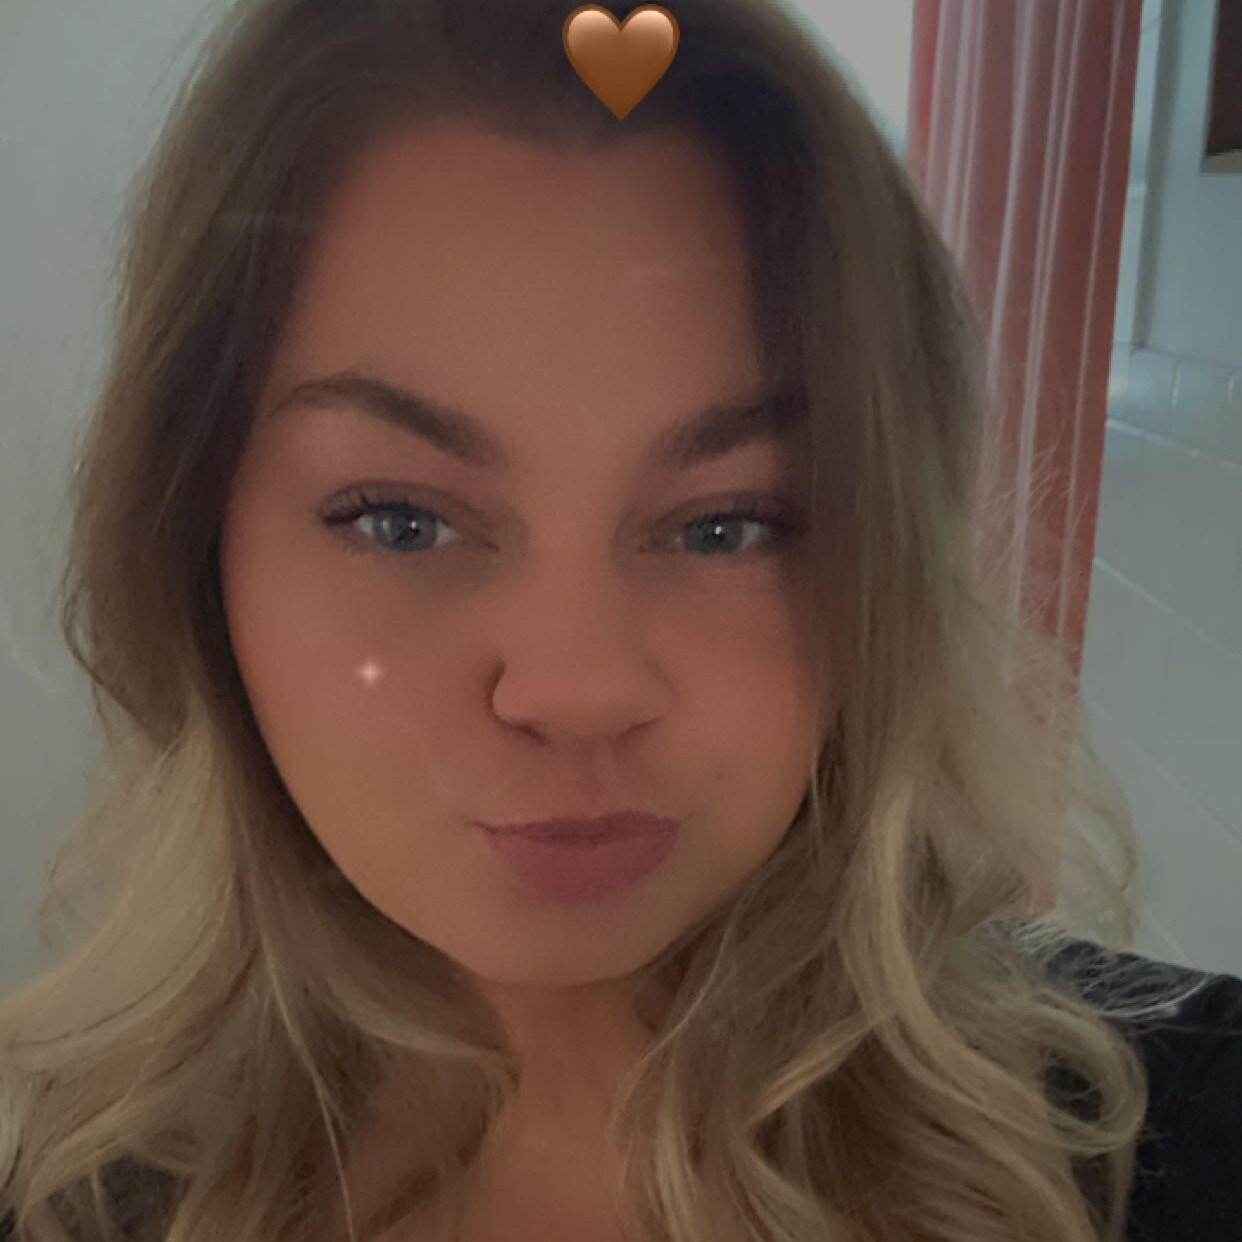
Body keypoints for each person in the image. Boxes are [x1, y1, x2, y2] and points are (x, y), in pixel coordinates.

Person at [1, 0, 1239, 1239]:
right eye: (400, 520)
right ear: (193, 550)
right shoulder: (63, 1194)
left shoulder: (1188, 1140)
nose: (577, 686)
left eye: (728, 525)